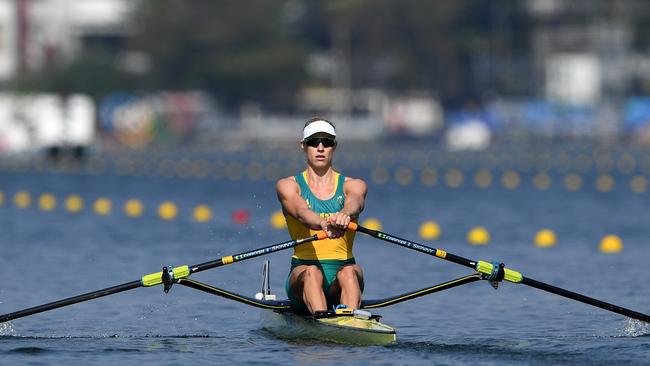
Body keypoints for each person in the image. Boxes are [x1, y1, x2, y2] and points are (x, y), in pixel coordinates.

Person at [276, 117, 367, 316]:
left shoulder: (353, 184)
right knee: (312, 273)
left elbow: (356, 202)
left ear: (334, 146)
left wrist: (344, 214)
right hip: (302, 276)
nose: (320, 147)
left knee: (350, 272)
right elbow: (302, 212)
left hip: (342, 275)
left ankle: (350, 323)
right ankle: (323, 324)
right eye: (313, 141)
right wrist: (323, 223)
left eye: (326, 142)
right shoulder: (289, 186)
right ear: (303, 145)